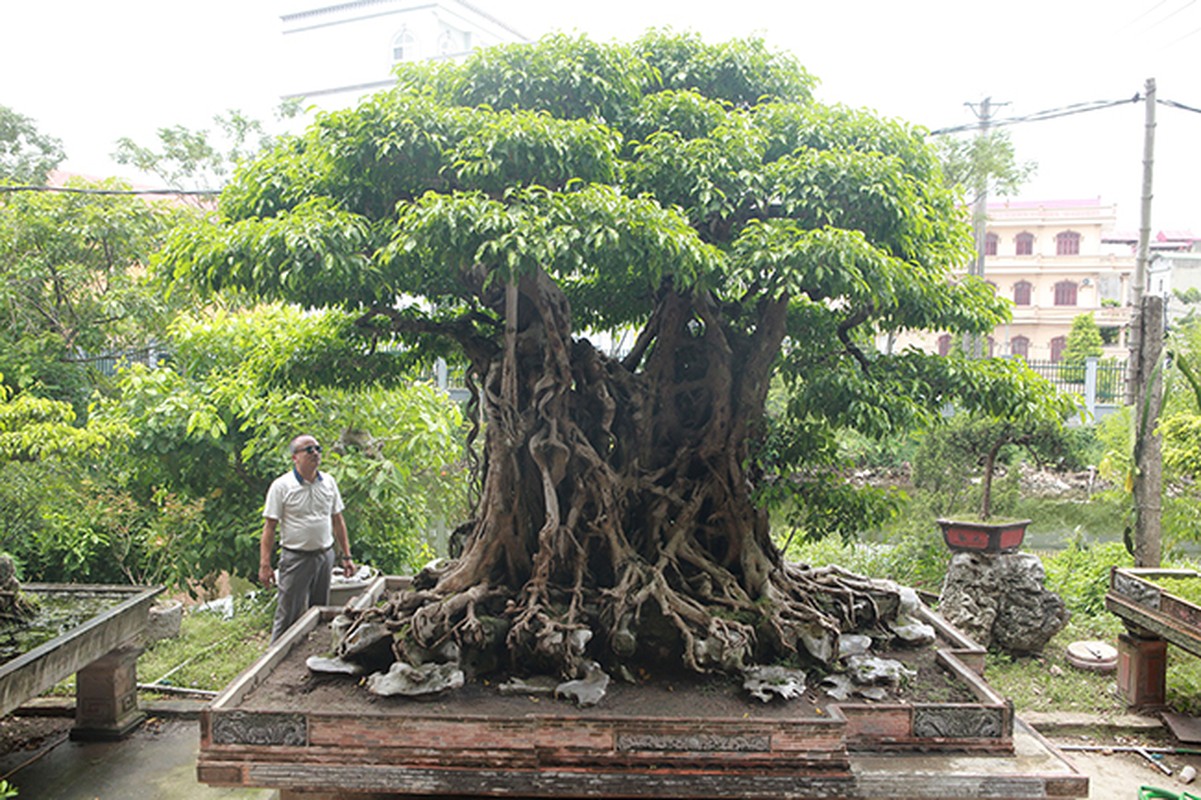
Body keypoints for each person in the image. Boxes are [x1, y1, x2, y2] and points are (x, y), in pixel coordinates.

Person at [259, 434, 354, 642]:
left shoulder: (328, 482)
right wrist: (265, 564)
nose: (315, 453)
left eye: (318, 449)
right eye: (308, 450)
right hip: (295, 557)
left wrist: (346, 557)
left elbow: (338, 520)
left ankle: (317, 652)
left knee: (320, 611)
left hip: (324, 555)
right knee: (288, 612)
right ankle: (274, 656)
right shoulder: (282, 486)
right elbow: (269, 528)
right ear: (295, 457)